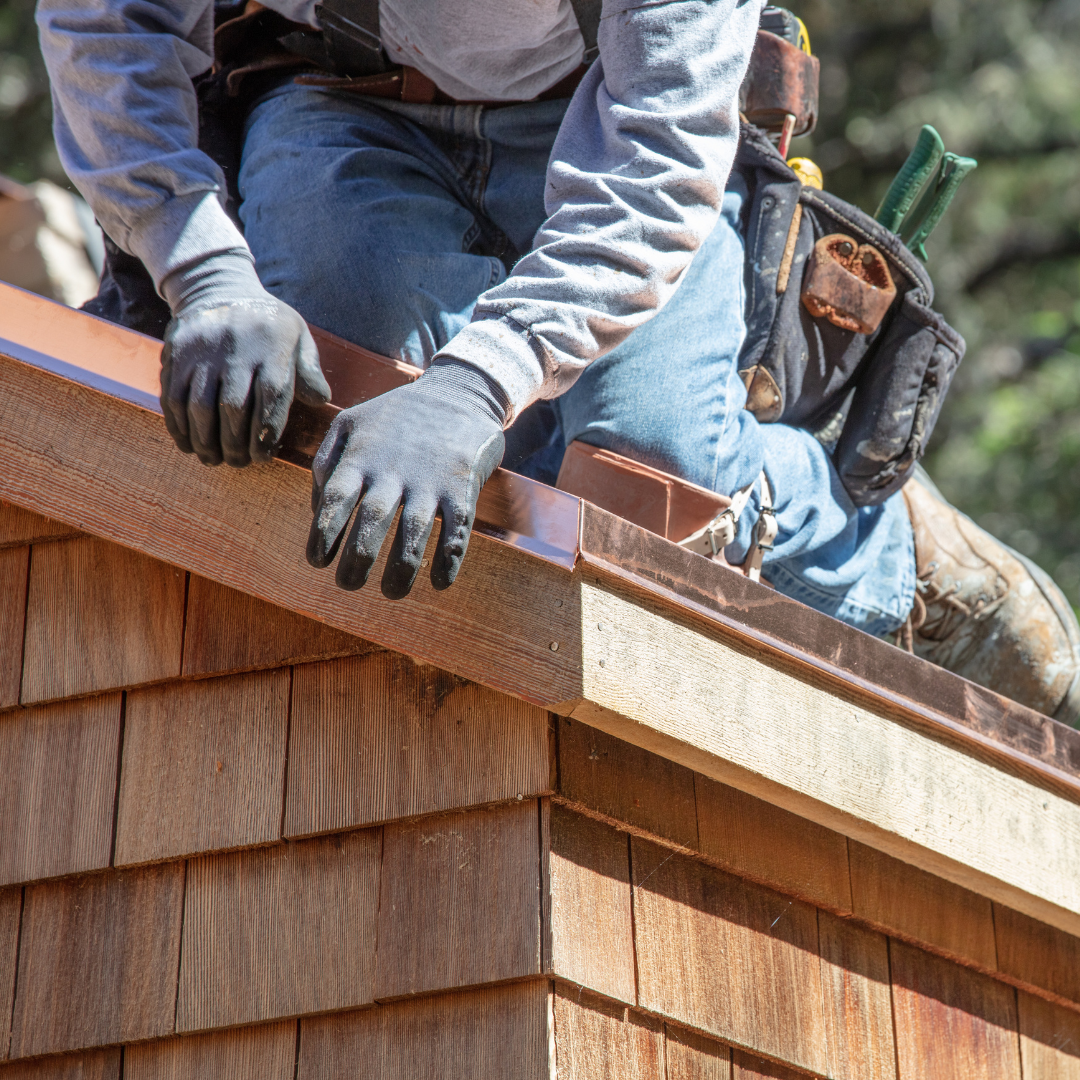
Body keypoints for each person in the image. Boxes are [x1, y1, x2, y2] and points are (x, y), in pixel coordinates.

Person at [38, 0, 1080, 723]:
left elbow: (654, 171)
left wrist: (472, 388)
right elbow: (104, 27)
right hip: (338, 101)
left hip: (613, 120)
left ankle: (891, 556)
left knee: (641, 494)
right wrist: (205, 270)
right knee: (340, 413)